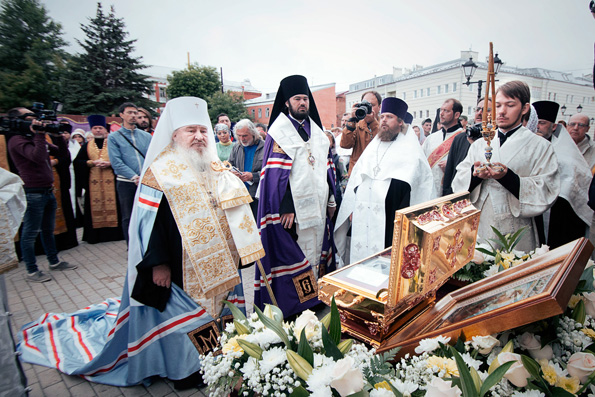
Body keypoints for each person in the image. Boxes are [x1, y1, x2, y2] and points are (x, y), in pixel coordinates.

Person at [17, 97, 264, 388]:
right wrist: (157, 264)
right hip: (178, 263)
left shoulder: (215, 166)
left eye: (202, 130)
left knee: (220, 311)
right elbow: (149, 226)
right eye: (190, 130)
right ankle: (188, 369)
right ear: (174, 134)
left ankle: (224, 358)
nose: (199, 137)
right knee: (187, 320)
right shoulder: (159, 171)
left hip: (221, 262)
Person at [256, 75, 336, 318]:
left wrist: (331, 199)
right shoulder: (279, 132)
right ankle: (297, 304)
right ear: (287, 103)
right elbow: (275, 175)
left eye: (304, 98)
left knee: (317, 251)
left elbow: (327, 168)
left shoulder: (319, 134)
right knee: (297, 252)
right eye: (297, 99)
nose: (302, 103)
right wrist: (286, 206)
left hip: (319, 207)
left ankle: (316, 298)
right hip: (295, 211)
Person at [452, 81, 560, 252]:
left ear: (524, 108)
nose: (501, 112)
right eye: (498, 105)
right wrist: (474, 176)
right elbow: (459, 181)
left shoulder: (540, 146)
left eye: (510, 105)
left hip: (516, 226)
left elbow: (547, 188)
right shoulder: (480, 144)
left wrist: (508, 177)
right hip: (480, 223)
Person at [335, 98, 432, 263]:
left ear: (400, 122)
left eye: (390, 117)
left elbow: (419, 185)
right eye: (383, 116)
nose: (384, 120)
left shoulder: (410, 149)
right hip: (365, 210)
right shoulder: (375, 145)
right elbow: (358, 176)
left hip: (392, 214)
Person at [7, 107, 77, 283]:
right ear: (19, 121)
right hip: (32, 192)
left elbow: (60, 153)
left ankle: (54, 261)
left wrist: (59, 136)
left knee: (48, 230)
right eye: (31, 118)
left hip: (47, 190)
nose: (36, 121)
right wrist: (39, 135)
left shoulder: (34, 138)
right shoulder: (17, 140)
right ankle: (32, 270)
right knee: (30, 233)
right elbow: (37, 157)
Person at [532, 101, 592, 248]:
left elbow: (574, 185)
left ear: (553, 127)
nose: (537, 127)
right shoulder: (530, 145)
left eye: (542, 123)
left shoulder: (565, 152)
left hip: (559, 215)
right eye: (535, 122)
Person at [74, 115, 124, 244]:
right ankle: (95, 236)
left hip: (111, 181)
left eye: (100, 128)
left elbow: (121, 159)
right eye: (95, 128)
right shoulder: (86, 146)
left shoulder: (112, 143)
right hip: (93, 182)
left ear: (105, 130)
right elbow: (77, 162)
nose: (97, 130)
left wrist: (110, 164)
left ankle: (116, 233)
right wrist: (91, 162)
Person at [107, 102, 152, 243]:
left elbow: (152, 157)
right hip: (126, 182)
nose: (133, 116)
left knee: (147, 214)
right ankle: (131, 246)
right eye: (130, 113)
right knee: (128, 216)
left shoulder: (146, 136)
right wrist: (134, 176)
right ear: (121, 115)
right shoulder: (114, 137)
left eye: (135, 113)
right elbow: (116, 162)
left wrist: (145, 176)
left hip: (146, 181)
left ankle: (148, 245)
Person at [443, 97, 492, 196]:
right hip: (457, 195)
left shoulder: (494, 139)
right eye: (477, 109)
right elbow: (450, 172)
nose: (479, 113)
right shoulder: (460, 138)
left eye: (486, 110)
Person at [422, 99, 465, 198]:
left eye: (446, 111)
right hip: (430, 190)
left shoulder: (464, 137)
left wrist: (451, 166)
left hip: (452, 192)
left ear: (456, 115)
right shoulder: (431, 138)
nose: (441, 114)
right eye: (441, 110)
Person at [228, 119, 264, 218]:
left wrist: (253, 176)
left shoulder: (265, 147)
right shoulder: (236, 147)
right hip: (241, 194)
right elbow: (229, 165)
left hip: (258, 195)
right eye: (239, 136)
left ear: (253, 133)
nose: (242, 138)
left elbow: (271, 172)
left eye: (245, 135)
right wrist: (231, 172)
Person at [340, 91, 382, 174]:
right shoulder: (356, 124)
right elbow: (345, 145)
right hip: (357, 173)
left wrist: (373, 122)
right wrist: (352, 120)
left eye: (372, 105)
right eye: (365, 105)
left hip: (376, 172)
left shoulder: (383, 125)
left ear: (379, 107)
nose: (368, 108)